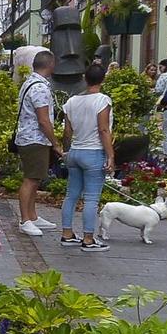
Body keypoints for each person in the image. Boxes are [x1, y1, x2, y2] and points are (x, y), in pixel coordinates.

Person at [58, 60, 115, 252]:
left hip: (75, 151)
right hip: (93, 151)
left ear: (84, 79)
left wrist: (66, 151)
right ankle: (88, 239)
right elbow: (104, 129)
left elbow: (67, 131)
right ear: (103, 78)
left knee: (71, 195)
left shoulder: (72, 101)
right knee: (91, 198)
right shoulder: (102, 100)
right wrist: (111, 156)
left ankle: (67, 233)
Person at [14, 50, 62, 237]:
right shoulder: (40, 87)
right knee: (31, 179)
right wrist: (55, 143)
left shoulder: (30, 82)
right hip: (35, 138)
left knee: (35, 178)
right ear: (50, 65)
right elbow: (43, 120)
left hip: (29, 137)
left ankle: (32, 216)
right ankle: (25, 219)